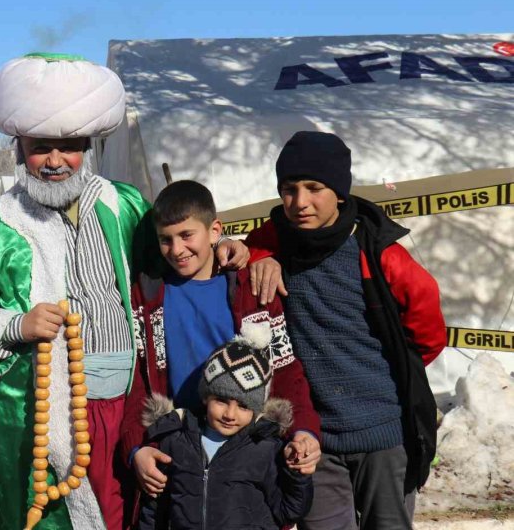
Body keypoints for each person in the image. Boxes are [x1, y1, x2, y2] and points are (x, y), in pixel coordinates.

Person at [0, 53, 249, 530]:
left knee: (134, 508)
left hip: (134, 398)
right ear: (19, 149)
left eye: (69, 146)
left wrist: (233, 249)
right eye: (40, 148)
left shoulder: (124, 204)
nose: (55, 162)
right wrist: (17, 325)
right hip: (50, 409)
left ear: (87, 146)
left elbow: (177, 258)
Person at [244, 131, 446, 530]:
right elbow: (236, 253)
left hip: (383, 436)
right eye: (289, 189)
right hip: (312, 439)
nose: (300, 202)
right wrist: (259, 256)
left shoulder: (380, 252)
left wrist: (388, 377)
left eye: (314, 188)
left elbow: (428, 332)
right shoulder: (272, 241)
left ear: (338, 192)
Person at [122, 180, 321, 524]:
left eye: (187, 235)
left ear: (214, 230)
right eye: (166, 239)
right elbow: (138, 384)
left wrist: (302, 431)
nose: (177, 249)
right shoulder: (147, 297)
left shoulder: (252, 291)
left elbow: (286, 372)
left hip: (247, 451)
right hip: (181, 455)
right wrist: (136, 450)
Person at [138, 329, 314, 530]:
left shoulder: (265, 447)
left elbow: (289, 511)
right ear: (206, 397)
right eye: (221, 401)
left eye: (243, 406)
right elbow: (154, 510)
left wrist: (296, 474)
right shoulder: (175, 441)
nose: (230, 414)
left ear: (256, 409)